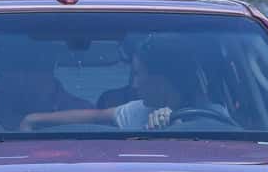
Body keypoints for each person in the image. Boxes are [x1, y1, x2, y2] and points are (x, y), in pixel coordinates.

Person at [19, 34, 232, 131]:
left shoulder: (216, 116)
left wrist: (174, 127)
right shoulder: (139, 110)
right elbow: (94, 118)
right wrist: (34, 119)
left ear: (161, 80)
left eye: (139, 75)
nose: (134, 85)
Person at [0, 42, 92, 130]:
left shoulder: (83, 111)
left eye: (6, 70)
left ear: (40, 72)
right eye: (0, 71)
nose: (1, 77)